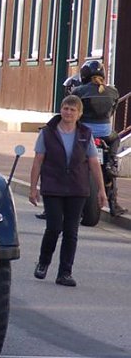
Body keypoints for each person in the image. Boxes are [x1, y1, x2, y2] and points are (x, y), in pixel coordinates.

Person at [29, 94, 107, 287]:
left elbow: (94, 163)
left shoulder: (85, 134)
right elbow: (38, 161)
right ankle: (44, 262)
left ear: (79, 114)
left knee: (71, 231)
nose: (68, 112)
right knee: (54, 227)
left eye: (73, 110)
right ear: (61, 110)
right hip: (53, 187)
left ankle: (65, 272)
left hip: (77, 188)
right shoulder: (47, 133)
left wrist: (101, 191)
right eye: (66, 108)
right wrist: (33, 188)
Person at [72, 60, 126, 217]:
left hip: (84, 132)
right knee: (115, 140)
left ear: (84, 75)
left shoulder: (79, 91)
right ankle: (111, 161)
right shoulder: (113, 91)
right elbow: (111, 112)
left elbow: (74, 111)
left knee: (65, 156)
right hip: (105, 133)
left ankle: (55, 204)